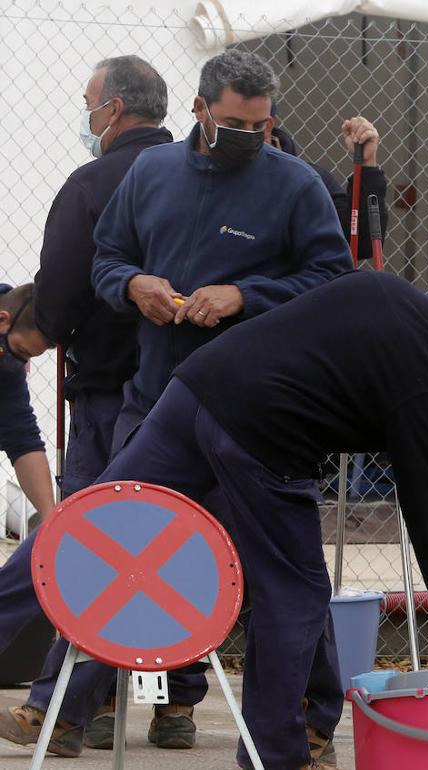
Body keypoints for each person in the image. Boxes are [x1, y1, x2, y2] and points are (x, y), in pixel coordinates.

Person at [0, 48, 351, 758]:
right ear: (197, 110)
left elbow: (331, 282)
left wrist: (245, 297)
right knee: (99, 544)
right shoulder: (151, 175)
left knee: (282, 569)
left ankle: (312, 723)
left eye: (260, 125)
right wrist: (135, 287)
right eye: (233, 123)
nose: (249, 137)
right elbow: (103, 263)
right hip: (158, 402)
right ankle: (65, 710)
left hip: (260, 417)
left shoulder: (297, 186)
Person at [76, 270, 428, 769]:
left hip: (200, 386)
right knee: (293, 596)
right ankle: (276, 755)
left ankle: (42, 685)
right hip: (266, 438)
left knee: (94, 525)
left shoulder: (386, 290)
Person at [33, 55, 171, 500]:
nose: (86, 115)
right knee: (174, 525)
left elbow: (56, 300)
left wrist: (49, 326)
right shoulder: (196, 176)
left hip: (108, 386)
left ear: (112, 110)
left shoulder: (90, 185)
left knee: (97, 530)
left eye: (88, 103)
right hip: (187, 385)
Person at [269, 107, 390, 268]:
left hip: (300, 289)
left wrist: (367, 164)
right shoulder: (225, 175)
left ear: (268, 124)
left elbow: (361, 244)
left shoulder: (311, 179)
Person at [0, 284, 55, 531]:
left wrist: (51, 519)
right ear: (2, 321)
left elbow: (22, 438)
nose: (21, 364)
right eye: (20, 351)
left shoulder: (7, 368)